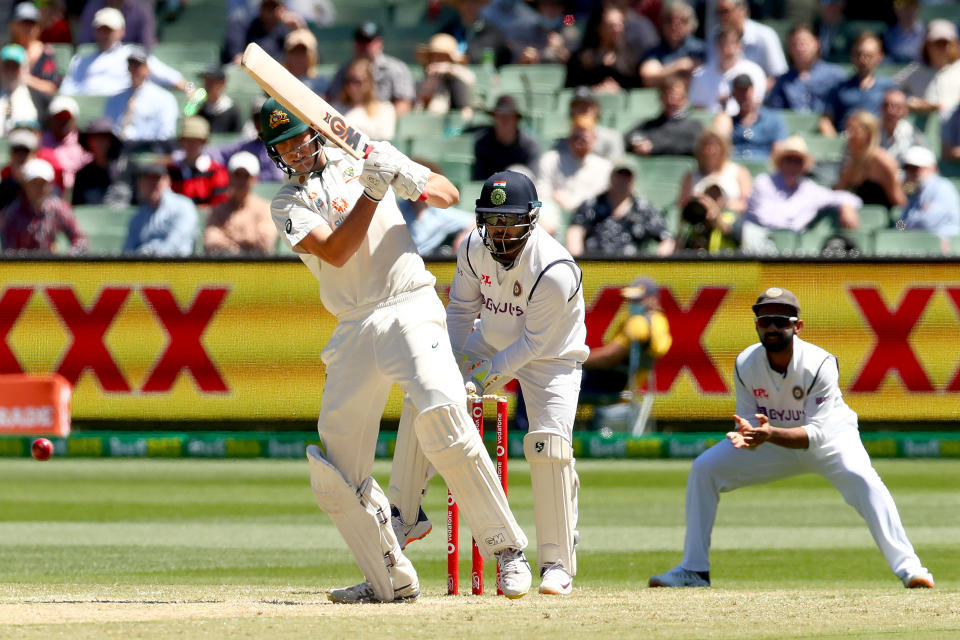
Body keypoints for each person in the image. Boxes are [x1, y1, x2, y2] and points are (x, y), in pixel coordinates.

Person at [259, 97, 531, 603]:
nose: (295, 152)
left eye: (298, 138)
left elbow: (448, 195)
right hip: (354, 323)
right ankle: (390, 577)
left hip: (409, 305)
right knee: (334, 473)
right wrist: (372, 189)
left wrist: (401, 171)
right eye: (283, 147)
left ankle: (507, 550)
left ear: (316, 132)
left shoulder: (363, 155)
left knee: (443, 417)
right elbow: (337, 254)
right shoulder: (286, 203)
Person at [648, 286, 936, 590]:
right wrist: (747, 434)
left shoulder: (820, 363)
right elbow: (747, 417)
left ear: (797, 326)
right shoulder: (746, 362)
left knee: (863, 481)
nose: (772, 327)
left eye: (781, 320)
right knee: (705, 469)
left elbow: (817, 434)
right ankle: (694, 570)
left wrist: (768, 432)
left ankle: (911, 569)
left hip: (832, 442)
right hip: (773, 441)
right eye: (764, 320)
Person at [389, 169, 587, 596]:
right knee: (423, 396)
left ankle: (557, 564)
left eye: (510, 221)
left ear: (532, 219)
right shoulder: (473, 248)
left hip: (552, 358)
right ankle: (405, 514)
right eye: (492, 221)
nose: (500, 232)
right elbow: (460, 312)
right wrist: (454, 370)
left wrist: (481, 378)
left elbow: (534, 344)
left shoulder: (554, 268)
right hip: (489, 340)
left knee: (547, 447)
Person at [744, 135, 861, 234]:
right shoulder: (763, 183)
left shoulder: (809, 189)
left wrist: (846, 207)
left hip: (792, 250)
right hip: (762, 246)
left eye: (798, 161)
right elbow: (765, 219)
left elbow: (845, 197)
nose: (793, 165)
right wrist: (793, 227)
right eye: (789, 159)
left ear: (803, 166)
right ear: (780, 162)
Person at [60, 8, 186, 96]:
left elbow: (174, 78)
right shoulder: (80, 59)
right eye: (101, 29)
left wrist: (192, 90)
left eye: (109, 30)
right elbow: (67, 90)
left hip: (123, 120)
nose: (105, 34)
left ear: (121, 31)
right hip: (87, 121)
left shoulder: (132, 55)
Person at [566, 164, 674, 257]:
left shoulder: (644, 208)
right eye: (619, 175)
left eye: (627, 176)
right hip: (595, 264)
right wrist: (578, 261)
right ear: (611, 177)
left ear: (633, 180)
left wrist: (659, 260)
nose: (622, 181)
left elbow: (666, 239)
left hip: (632, 268)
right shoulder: (592, 205)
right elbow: (575, 231)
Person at [537, 113, 613, 234]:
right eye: (576, 137)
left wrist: (573, 202)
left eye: (584, 138)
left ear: (594, 140)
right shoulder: (551, 160)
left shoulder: (604, 167)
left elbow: (601, 197)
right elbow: (541, 191)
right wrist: (554, 196)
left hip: (590, 218)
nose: (579, 141)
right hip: (556, 214)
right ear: (569, 138)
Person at [325, 22, 415, 118]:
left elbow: (404, 103)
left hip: (382, 123)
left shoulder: (395, 68)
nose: (364, 46)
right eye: (360, 41)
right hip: (348, 123)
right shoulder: (345, 69)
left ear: (380, 43)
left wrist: (382, 123)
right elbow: (331, 98)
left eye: (368, 41)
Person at [0, 157, 87, 254]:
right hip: (22, 267)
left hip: (51, 267)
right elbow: (8, 250)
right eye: (34, 183)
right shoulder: (12, 212)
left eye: (43, 183)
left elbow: (80, 240)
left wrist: (66, 261)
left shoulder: (58, 209)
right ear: (25, 185)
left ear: (50, 185)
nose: (39, 188)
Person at [103, 46, 180, 152]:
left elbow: (166, 134)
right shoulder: (115, 99)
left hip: (151, 151)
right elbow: (109, 130)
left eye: (139, 65)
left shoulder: (164, 98)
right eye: (131, 65)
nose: (135, 69)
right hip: (121, 151)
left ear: (147, 68)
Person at [819, 32, 894, 137]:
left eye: (869, 55)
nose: (863, 60)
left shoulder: (889, 87)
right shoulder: (839, 88)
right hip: (847, 142)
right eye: (859, 54)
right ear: (852, 56)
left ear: (879, 57)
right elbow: (826, 120)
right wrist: (834, 142)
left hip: (878, 141)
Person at [204, 151, 276, 255]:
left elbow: (263, 242)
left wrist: (229, 243)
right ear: (229, 176)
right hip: (225, 267)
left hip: (257, 267)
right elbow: (211, 241)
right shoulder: (217, 209)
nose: (241, 180)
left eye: (246, 176)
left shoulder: (265, 208)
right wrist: (243, 245)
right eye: (237, 175)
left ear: (254, 179)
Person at [689, 24, 767, 115]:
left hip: (743, 126)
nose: (727, 49)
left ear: (740, 46)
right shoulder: (700, 74)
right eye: (723, 43)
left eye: (732, 43)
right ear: (717, 46)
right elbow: (698, 109)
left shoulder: (755, 72)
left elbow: (756, 106)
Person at [834, 111, 906, 210]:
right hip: (860, 221)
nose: (848, 135)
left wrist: (900, 226)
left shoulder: (882, 162)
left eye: (854, 130)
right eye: (847, 129)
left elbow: (899, 202)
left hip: (885, 221)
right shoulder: (851, 162)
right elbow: (838, 193)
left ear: (868, 134)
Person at [765, 24, 845, 113]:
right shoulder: (782, 81)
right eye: (794, 44)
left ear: (817, 43)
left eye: (804, 43)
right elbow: (777, 112)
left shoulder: (834, 74)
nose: (800, 48)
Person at [707, 0, 788, 85]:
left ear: (742, 10)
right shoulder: (714, 36)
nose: (721, 17)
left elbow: (778, 76)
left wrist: (753, 91)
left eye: (725, 11)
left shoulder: (765, 36)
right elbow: (712, 70)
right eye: (718, 12)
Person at [124, 163, 198, 256]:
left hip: (177, 266)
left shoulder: (183, 206)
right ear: (140, 184)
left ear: (168, 181)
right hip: (144, 267)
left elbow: (176, 244)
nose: (153, 184)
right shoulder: (138, 216)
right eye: (148, 180)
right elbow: (127, 251)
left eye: (157, 179)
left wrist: (149, 253)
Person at [677, 128, 752, 215]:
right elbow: (681, 205)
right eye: (707, 146)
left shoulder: (739, 172)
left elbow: (747, 204)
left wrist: (724, 207)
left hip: (731, 222)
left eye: (716, 145)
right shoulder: (690, 176)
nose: (711, 150)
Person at [565, 6, 641, 91]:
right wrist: (595, 89)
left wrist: (619, 90)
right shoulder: (581, 58)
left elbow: (635, 86)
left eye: (620, 24)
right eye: (611, 26)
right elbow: (571, 87)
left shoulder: (631, 57)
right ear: (599, 27)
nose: (617, 29)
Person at [625, 74, 702, 157]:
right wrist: (638, 143)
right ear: (661, 98)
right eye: (667, 96)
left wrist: (655, 147)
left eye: (677, 97)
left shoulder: (693, 126)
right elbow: (629, 138)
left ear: (685, 99)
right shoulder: (650, 126)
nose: (671, 102)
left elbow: (695, 146)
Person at [895, 19, 960, 118]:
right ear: (927, 45)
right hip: (922, 130)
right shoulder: (915, 69)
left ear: (953, 45)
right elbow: (892, 88)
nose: (941, 48)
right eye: (937, 43)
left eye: (945, 43)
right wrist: (910, 101)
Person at [714, 74, 787, 162]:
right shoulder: (730, 122)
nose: (743, 96)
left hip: (763, 167)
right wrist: (724, 109)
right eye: (739, 92)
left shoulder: (772, 119)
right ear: (734, 95)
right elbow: (719, 146)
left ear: (753, 91)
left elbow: (778, 151)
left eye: (746, 91)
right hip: (735, 168)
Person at [899, 146, 960, 246]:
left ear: (932, 168)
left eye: (917, 168)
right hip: (923, 246)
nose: (913, 173)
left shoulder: (943, 187)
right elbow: (899, 224)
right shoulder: (915, 192)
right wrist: (915, 218)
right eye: (909, 168)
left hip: (946, 250)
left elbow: (927, 222)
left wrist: (909, 222)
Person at [472, 95, 541, 180]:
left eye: (508, 117)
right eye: (500, 117)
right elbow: (479, 179)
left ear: (516, 120)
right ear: (494, 119)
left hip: (519, 191)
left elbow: (532, 179)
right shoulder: (483, 143)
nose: (504, 122)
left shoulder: (529, 145)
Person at [639, 0, 705, 88]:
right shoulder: (655, 52)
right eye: (669, 20)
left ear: (691, 25)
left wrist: (663, 73)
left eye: (682, 21)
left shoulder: (700, 49)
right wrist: (680, 66)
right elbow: (648, 78)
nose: (675, 26)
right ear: (662, 23)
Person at [167, 117, 230, 208]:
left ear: (203, 142)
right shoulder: (172, 171)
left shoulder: (216, 171)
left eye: (195, 140)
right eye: (186, 140)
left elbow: (220, 204)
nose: (190, 145)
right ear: (181, 142)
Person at [72, 117, 134, 206]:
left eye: (104, 138)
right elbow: (78, 208)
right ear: (88, 142)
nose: (100, 143)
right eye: (95, 138)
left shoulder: (127, 170)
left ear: (110, 141)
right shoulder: (82, 176)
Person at [330, 58, 396, 142]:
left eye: (357, 81)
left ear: (369, 82)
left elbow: (385, 137)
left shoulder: (385, 109)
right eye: (348, 81)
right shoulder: (335, 108)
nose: (351, 86)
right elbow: (328, 140)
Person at [414, 33, 475, 122]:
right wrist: (430, 85)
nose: (438, 60)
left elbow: (470, 79)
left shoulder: (461, 75)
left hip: (455, 128)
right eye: (434, 56)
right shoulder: (422, 82)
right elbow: (418, 112)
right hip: (430, 126)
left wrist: (450, 71)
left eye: (443, 56)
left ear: (451, 59)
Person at [221, 0, 304, 65]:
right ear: (260, 7)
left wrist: (298, 30)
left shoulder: (286, 32)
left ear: (282, 9)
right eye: (266, 6)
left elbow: (305, 61)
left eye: (273, 7)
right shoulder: (241, 26)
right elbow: (238, 60)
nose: (269, 12)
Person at [558, 86, 624, 161]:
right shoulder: (563, 142)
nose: (582, 110)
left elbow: (616, 168)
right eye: (577, 106)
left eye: (586, 106)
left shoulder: (612, 138)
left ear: (596, 110)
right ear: (571, 111)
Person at [9, 2, 61, 96]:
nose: (28, 28)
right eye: (24, 23)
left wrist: (26, 79)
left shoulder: (46, 52)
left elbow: (51, 88)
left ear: (38, 27)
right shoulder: (7, 52)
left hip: (39, 105)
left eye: (32, 23)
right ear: (14, 25)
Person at [41, 95, 91, 191]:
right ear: (50, 120)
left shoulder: (85, 142)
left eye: (66, 118)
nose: (62, 122)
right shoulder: (40, 143)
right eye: (58, 118)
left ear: (74, 121)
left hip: (79, 192)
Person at [77, 0, 157, 50]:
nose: (106, 33)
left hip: (132, 64)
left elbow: (146, 45)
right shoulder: (92, 6)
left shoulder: (142, 9)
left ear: (122, 31)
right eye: (103, 29)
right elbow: (85, 44)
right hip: (98, 58)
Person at [0, 45, 40, 135]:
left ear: (24, 68)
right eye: (7, 66)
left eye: (15, 66)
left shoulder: (37, 97)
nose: (10, 71)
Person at [879, 88, 926, 164]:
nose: (890, 111)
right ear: (880, 108)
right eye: (886, 105)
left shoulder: (913, 136)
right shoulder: (870, 134)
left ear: (905, 111)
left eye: (897, 107)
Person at [195, 66, 243, 134]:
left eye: (211, 81)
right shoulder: (199, 107)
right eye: (206, 81)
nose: (207, 85)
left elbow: (236, 138)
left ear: (222, 83)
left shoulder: (232, 109)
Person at [283, 27, 328, 95]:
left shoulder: (322, 84)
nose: (298, 57)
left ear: (313, 55)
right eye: (294, 52)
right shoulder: (279, 81)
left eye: (303, 52)